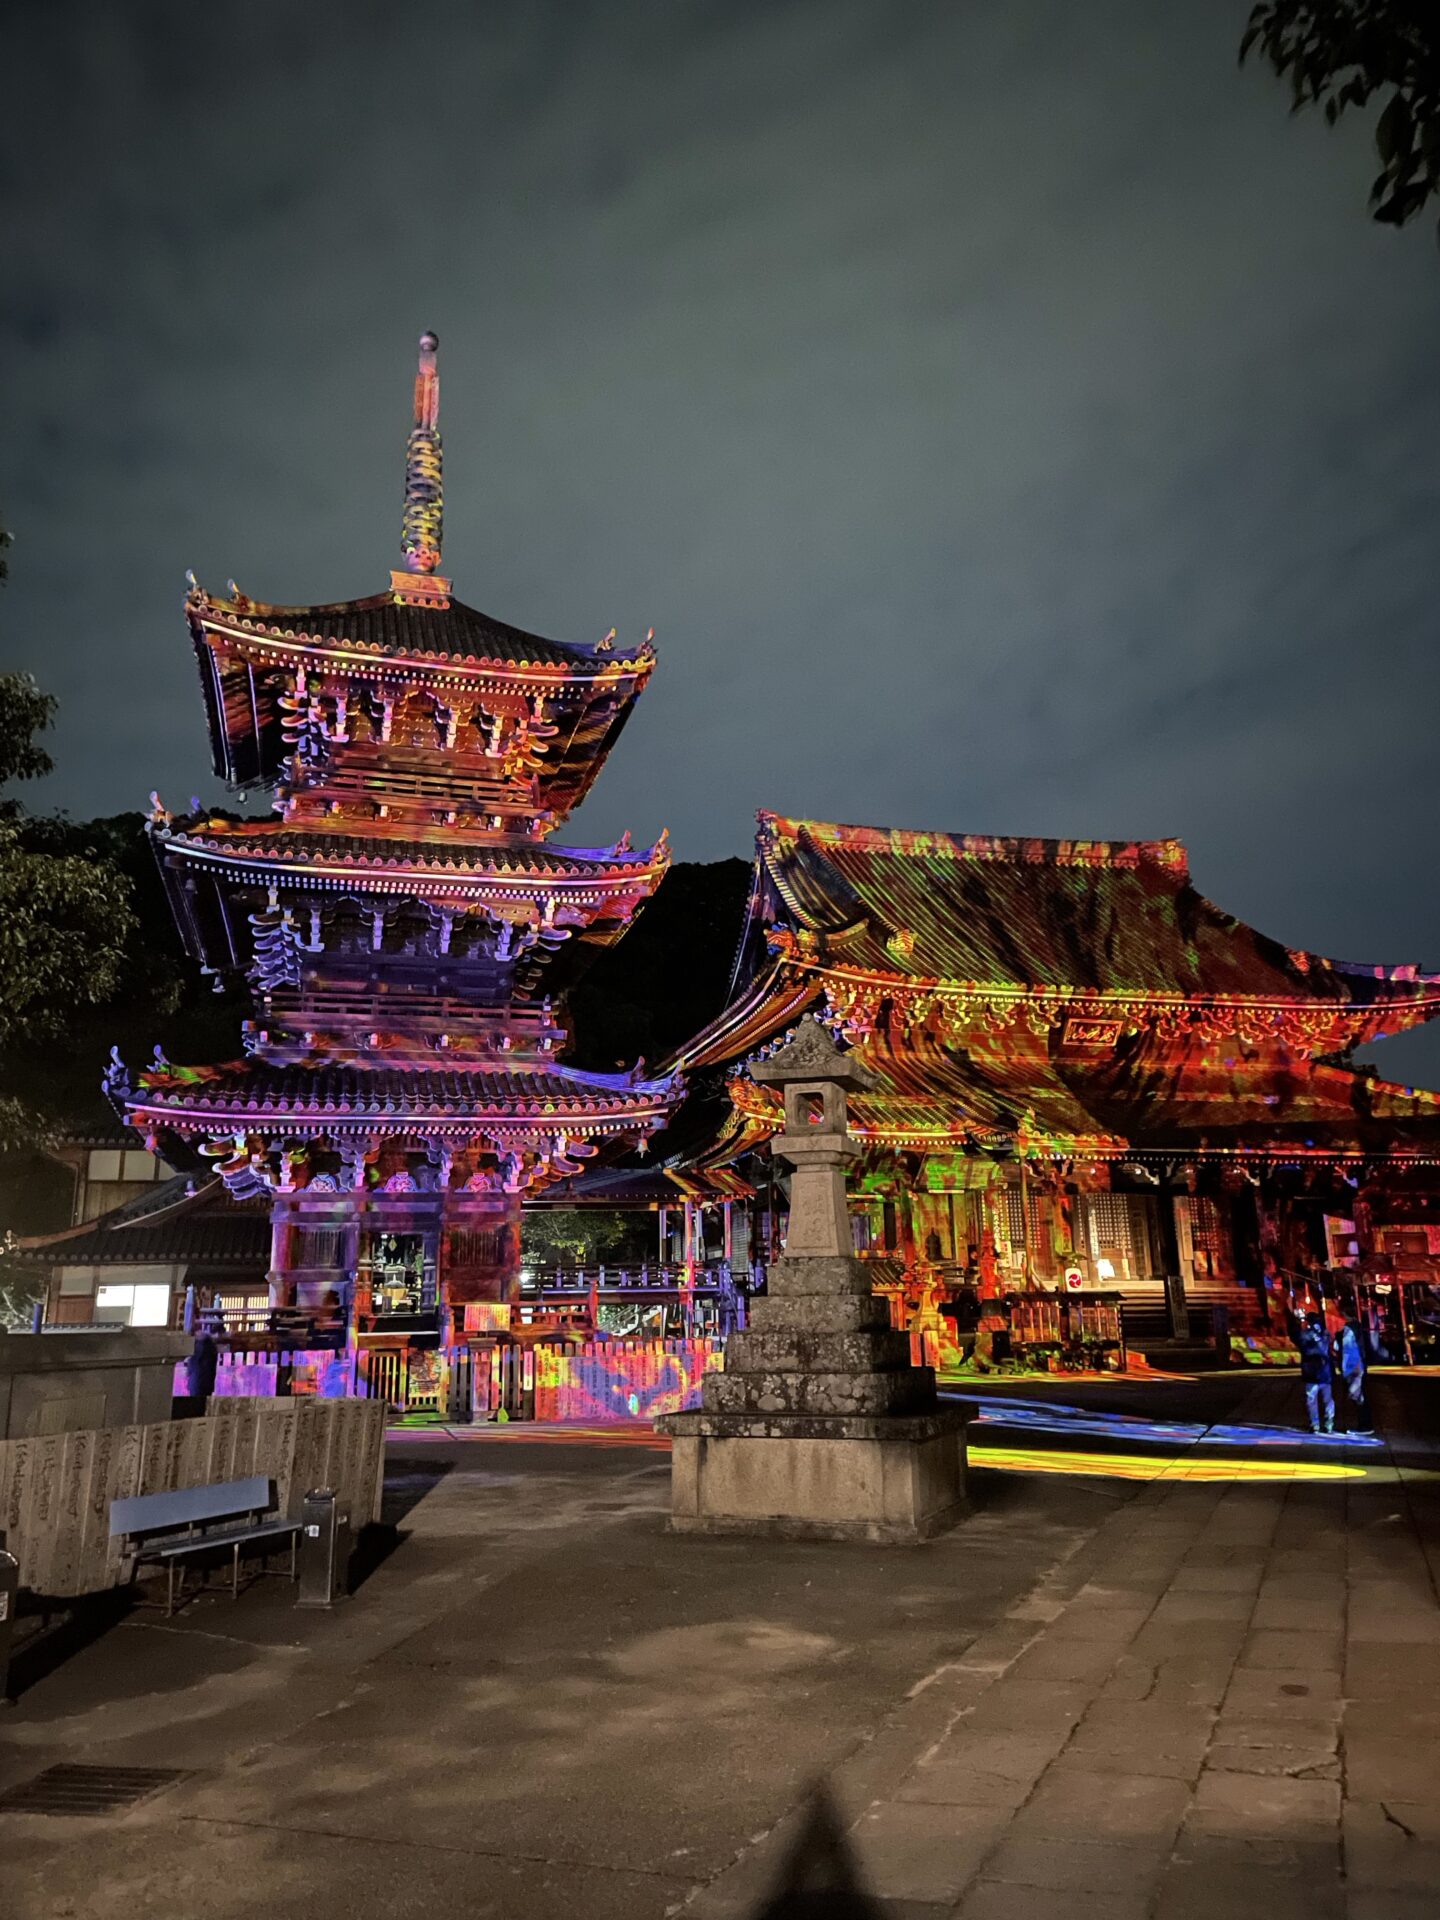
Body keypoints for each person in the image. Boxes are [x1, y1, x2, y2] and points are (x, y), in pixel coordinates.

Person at [1287, 1305, 1335, 1434]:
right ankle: (1329, 1424)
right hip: (1325, 1372)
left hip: (1311, 1372)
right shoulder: (1325, 1334)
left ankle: (1315, 1425)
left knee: (1311, 1400)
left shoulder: (1305, 1335)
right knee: (1328, 1399)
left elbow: (1294, 1336)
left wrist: (1296, 1320)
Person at [1333, 1315, 1372, 1433]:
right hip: (1360, 1365)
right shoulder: (1359, 1328)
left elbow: (1342, 1349)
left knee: (1358, 1396)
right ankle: (1365, 1424)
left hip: (1353, 1367)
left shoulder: (1347, 1330)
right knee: (1360, 1396)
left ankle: (1365, 1426)